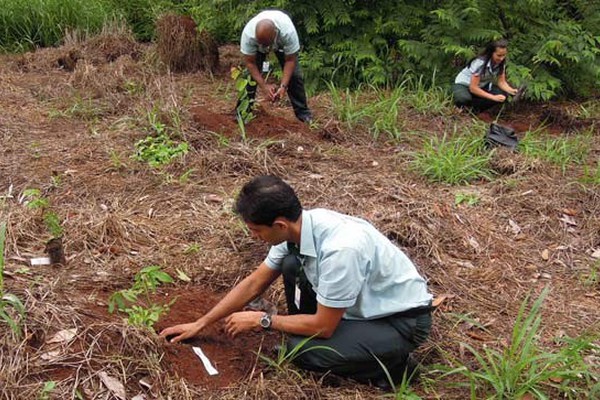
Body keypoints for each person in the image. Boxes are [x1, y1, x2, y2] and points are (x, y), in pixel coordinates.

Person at [160, 175, 433, 389]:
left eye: (256, 230)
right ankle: (323, 336)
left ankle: (396, 367)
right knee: (291, 264)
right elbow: (255, 282)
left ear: (279, 224)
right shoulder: (299, 228)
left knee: (301, 351)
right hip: (358, 309)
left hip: (398, 322)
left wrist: (262, 320)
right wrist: (201, 323)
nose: (253, 236)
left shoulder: (341, 250)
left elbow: (324, 327)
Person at [236, 10, 313, 123]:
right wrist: (264, 86)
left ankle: (303, 114)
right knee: (248, 78)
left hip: (281, 43)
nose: (266, 48)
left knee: (295, 76)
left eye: (267, 44)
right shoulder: (248, 35)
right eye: (262, 44)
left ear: (275, 33)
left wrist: (283, 87)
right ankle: (242, 113)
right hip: (257, 48)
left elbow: (290, 60)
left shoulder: (288, 32)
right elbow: (250, 63)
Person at [452, 39, 518, 113]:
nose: (501, 58)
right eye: (499, 55)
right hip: (465, 85)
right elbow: (473, 88)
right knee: (463, 98)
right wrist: (493, 97)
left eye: (504, 55)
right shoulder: (480, 63)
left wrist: (511, 90)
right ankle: (461, 106)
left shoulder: (501, 63)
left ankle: (474, 110)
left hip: (482, 86)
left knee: (502, 95)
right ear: (491, 53)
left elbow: (501, 82)